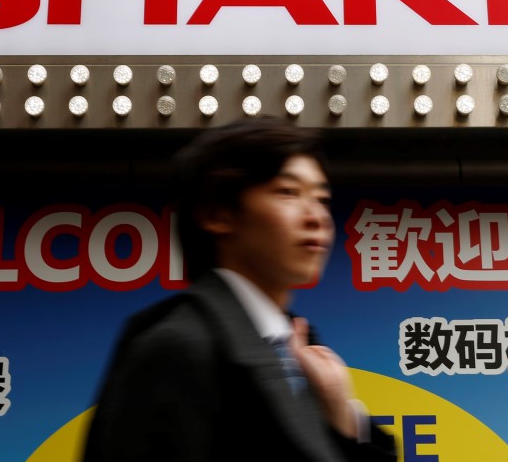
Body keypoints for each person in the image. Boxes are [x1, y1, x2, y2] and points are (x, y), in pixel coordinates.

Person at [82, 116, 396, 462]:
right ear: (217, 212)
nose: (317, 217)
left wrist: (339, 414)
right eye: (288, 192)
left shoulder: (300, 350)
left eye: (321, 198)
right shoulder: (177, 346)